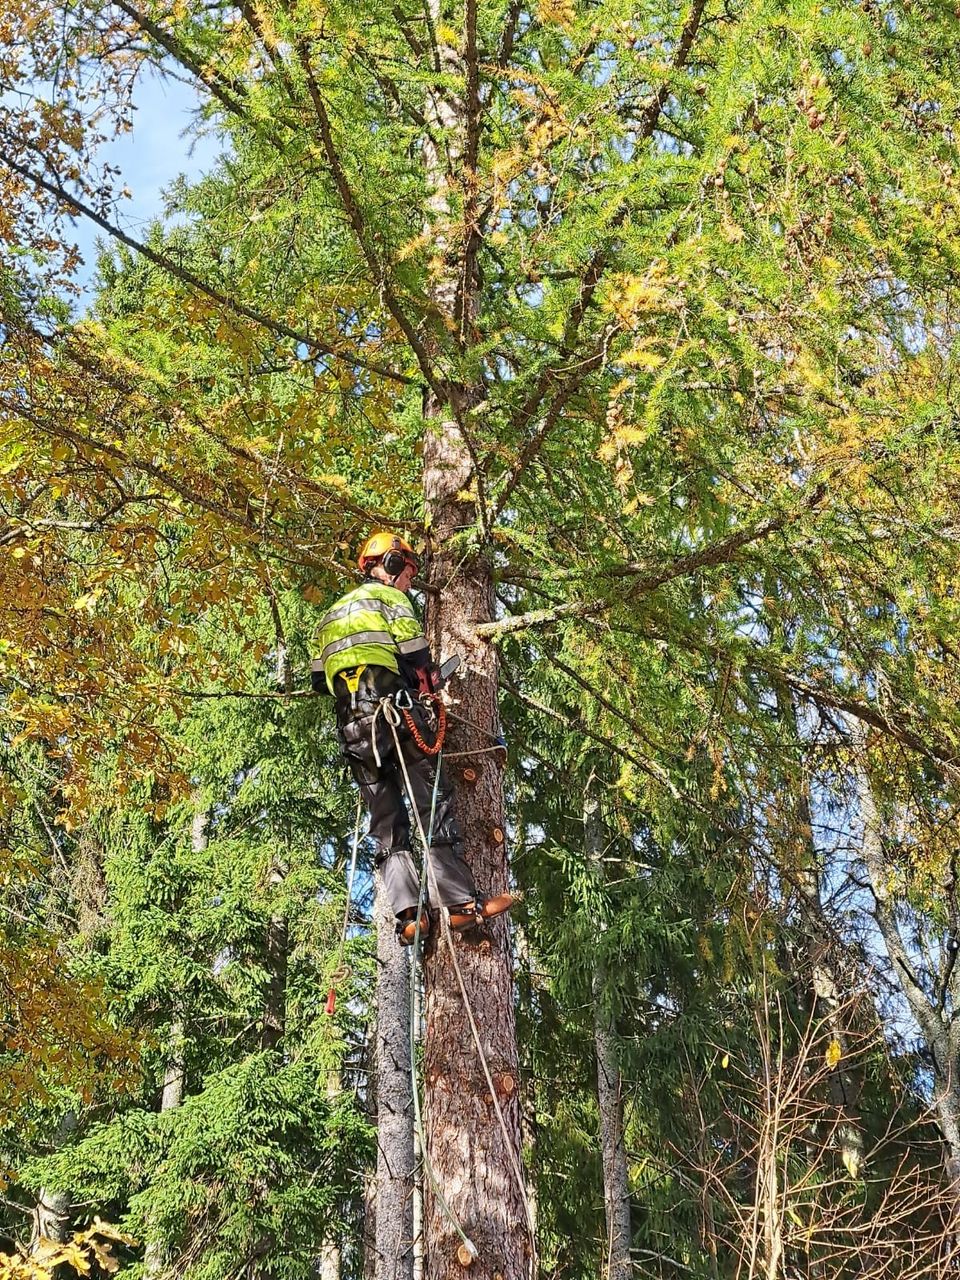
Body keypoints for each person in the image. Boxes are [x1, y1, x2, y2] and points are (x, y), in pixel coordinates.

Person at [313, 532, 514, 945]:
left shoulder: (330, 615)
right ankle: (460, 906)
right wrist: (421, 682)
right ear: (388, 565)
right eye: (406, 572)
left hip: (353, 728)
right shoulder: (392, 601)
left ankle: (410, 917)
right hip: (395, 713)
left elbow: (320, 679)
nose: (409, 582)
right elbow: (416, 653)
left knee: (386, 824)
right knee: (431, 804)